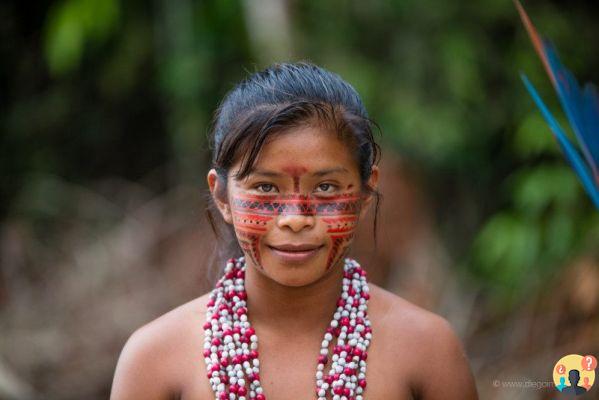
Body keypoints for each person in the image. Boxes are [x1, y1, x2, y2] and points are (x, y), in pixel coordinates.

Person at [110, 62, 479, 399]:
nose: (296, 217)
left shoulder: (426, 349)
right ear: (221, 196)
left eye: (326, 188)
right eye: (266, 188)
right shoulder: (155, 359)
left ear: (366, 192)